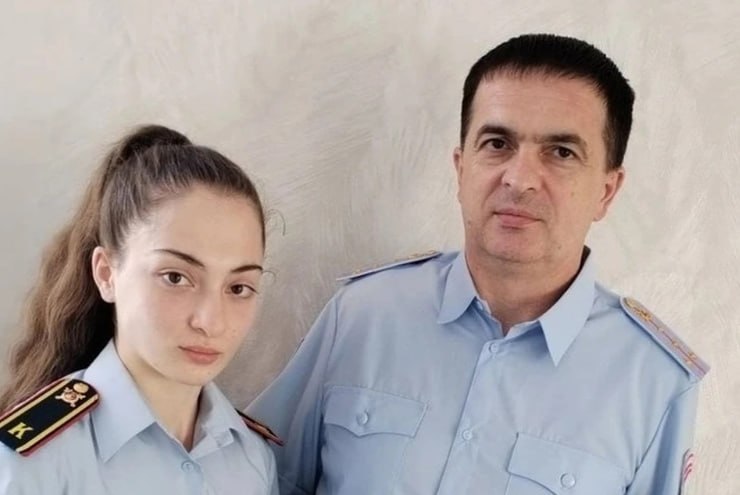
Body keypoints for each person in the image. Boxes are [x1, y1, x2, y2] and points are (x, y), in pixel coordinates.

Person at [247, 34, 709, 494]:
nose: (520, 179)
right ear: (461, 167)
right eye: (497, 143)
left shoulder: (655, 382)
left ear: (607, 191)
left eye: (561, 152)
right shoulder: (362, 313)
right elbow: (259, 478)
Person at [0, 125, 280, 494]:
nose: (211, 322)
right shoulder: (29, 462)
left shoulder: (253, 460)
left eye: (238, 288)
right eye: (175, 278)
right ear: (106, 274)